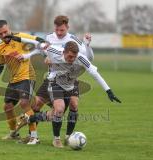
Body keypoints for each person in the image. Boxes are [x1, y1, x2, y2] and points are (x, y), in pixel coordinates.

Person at [12, 37, 121, 148]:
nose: (72, 59)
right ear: (63, 52)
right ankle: (57, 140)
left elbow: (95, 74)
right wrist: (15, 38)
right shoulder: (53, 50)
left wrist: (109, 91)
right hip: (55, 83)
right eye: (69, 56)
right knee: (59, 109)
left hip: (71, 85)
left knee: (57, 113)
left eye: (74, 56)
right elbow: (37, 43)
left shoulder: (81, 59)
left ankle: (30, 118)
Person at [18, 15, 95, 145]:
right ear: (55, 27)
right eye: (57, 30)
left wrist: (87, 45)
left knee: (74, 104)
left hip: (70, 79)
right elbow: (39, 49)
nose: (59, 33)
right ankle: (32, 135)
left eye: (62, 31)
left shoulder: (74, 40)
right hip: (51, 78)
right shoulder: (49, 37)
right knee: (36, 105)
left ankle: (69, 137)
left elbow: (88, 57)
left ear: (67, 28)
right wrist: (27, 55)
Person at [0, 20, 45, 145]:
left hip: (27, 77)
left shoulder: (20, 38)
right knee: (7, 107)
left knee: (24, 103)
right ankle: (13, 133)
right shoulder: (1, 47)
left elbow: (39, 40)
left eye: (5, 32)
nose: (3, 35)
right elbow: (0, 66)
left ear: (9, 29)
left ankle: (34, 137)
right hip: (14, 80)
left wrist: (39, 47)